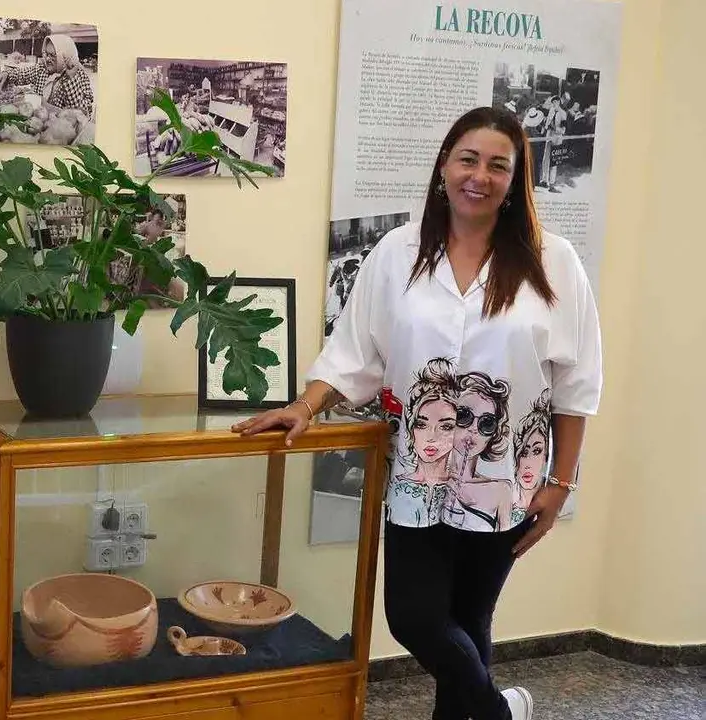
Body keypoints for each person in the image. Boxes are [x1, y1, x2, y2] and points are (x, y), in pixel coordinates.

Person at [232, 106, 602, 720]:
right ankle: (501, 711)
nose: (479, 176)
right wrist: (304, 406)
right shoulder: (396, 253)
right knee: (414, 618)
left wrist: (560, 483)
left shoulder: (552, 261)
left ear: (516, 182)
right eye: (468, 159)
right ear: (443, 167)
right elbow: (355, 352)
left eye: (498, 166)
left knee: (469, 619)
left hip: (504, 472)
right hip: (418, 470)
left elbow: (577, 384)